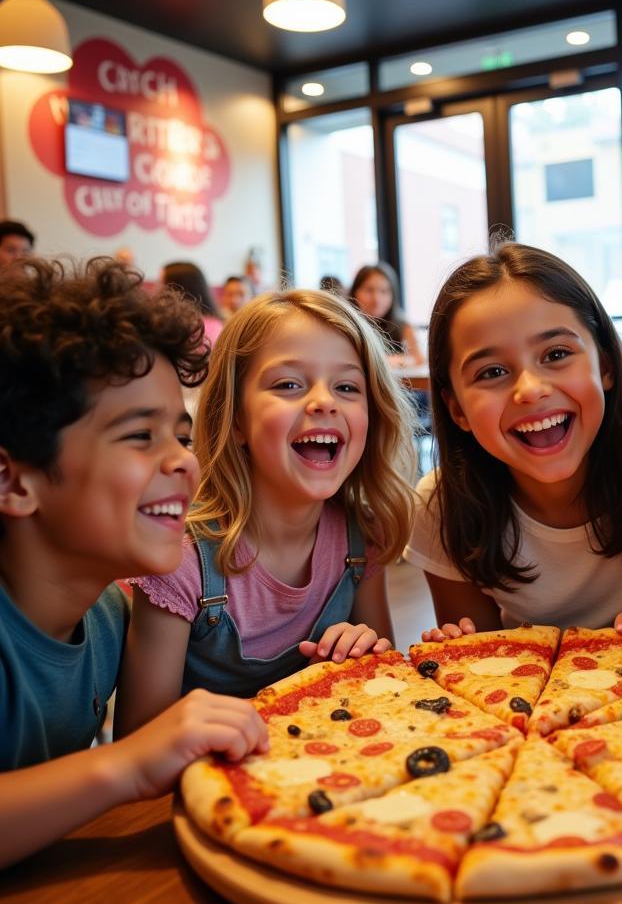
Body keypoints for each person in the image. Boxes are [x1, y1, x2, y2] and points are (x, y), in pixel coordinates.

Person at [0, 257, 267, 868]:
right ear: (12, 481)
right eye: (140, 436)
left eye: (180, 433)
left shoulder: (110, 614)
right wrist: (128, 762)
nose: (183, 461)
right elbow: (132, 762)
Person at [115, 289, 417, 733]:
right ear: (236, 419)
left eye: (347, 387)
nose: (323, 402)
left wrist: (367, 650)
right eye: (289, 385)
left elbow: (382, 683)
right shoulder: (180, 559)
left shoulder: (360, 535)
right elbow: (138, 743)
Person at [404, 242, 622, 637]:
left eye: (555, 354)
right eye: (492, 372)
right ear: (457, 410)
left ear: (604, 364)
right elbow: (476, 674)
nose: (531, 390)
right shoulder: (444, 505)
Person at [349, 262, 424, 368]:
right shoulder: (346, 325)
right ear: (355, 292)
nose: (377, 299)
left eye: (384, 291)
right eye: (369, 290)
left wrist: (394, 361)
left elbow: (419, 359)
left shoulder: (403, 326)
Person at [163, 261, 224, 347]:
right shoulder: (214, 324)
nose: (156, 289)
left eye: (161, 283)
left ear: (176, 290)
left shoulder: (195, 328)